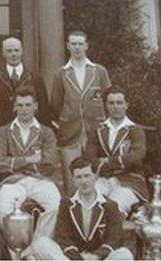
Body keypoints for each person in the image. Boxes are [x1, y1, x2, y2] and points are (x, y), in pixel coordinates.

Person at [0, 89, 60, 259]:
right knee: (2, 207)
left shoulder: (46, 132)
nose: (24, 109)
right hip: (13, 181)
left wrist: (13, 162)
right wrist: (29, 160)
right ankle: (16, 256)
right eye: (20, 105)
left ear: (35, 106)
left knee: (55, 203)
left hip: (40, 180)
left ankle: (36, 250)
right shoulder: (4, 131)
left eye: (28, 105)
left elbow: (49, 164)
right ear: (14, 107)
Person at [30, 157, 133, 260]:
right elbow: (63, 238)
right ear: (73, 180)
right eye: (79, 177)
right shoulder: (66, 204)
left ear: (95, 177)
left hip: (99, 258)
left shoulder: (110, 205)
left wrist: (95, 256)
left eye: (87, 176)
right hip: (74, 258)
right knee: (41, 243)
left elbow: (114, 239)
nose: (84, 181)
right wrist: (79, 258)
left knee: (124, 254)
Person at [50, 30, 112, 195]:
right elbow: (55, 104)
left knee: (96, 176)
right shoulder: (61, 73)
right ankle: (73, 213)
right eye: (73, 44)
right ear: (68, 46)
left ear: (86, 46)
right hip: (70, 132)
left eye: (80, 44)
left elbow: (108, 99)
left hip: (95, 131)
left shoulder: (99, 71)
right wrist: (67, 118)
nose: (77, 47)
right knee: (72, 179)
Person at [85, 87, 148, 216]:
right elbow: (90, 156)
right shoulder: (98, 128)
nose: (116, 107)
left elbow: (136, 157)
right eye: (111, 103)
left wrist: (107, 162)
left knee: (114, 206)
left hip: (129, 181)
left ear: (126, 105)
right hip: (102, 179)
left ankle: (114, 236)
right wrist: (106, 166)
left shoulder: (135, 130)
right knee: (87, 202)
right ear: (106, 106)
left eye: (119, 103)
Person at [0, 37, 53, 142]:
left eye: (16, 50)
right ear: (3, 53)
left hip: (31, 135)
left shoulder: (35, 78)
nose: (13, 54)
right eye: (9, 51)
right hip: (3, 137)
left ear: (22, 51)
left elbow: (44, 109)